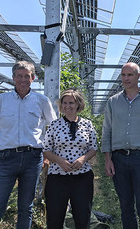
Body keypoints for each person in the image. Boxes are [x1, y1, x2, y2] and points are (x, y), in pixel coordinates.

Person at [0, 61, 57, 229]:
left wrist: (48, 155)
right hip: (6, 158)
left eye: (27, 76)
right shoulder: (1, 100)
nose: (23, 79)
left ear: (33, 78)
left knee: (26, 207)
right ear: (13, 78)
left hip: (32, 158)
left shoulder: (41, 101)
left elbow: (53, 128)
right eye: (19, 76)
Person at [101, 62, 140, 229]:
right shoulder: (113, 102)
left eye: (130, 75)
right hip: (119, 158)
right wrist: (107, 159)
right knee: (126, 206)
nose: (126, 78)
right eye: (123, 75)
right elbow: (107, 131)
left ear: (138, 76)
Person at [43, 88, 98, 229]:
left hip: (82, 178)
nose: (68, 106)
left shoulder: (87, 124)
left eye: (71, 103)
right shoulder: (55, 125)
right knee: (55, 218)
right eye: (64, 103)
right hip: (58, 177)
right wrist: (60, 161)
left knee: (82, 217)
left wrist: (83, 159)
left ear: (78, 104)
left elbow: (93, 148)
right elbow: (46, 149)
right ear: (61, 105)